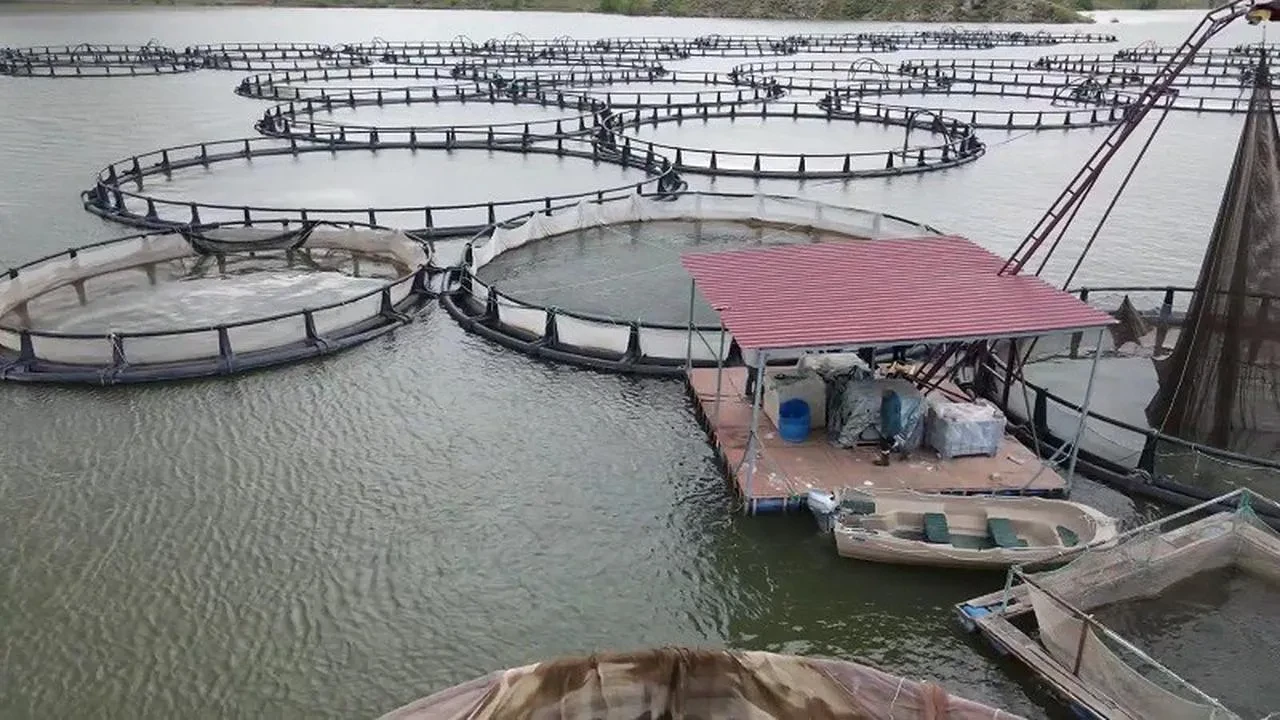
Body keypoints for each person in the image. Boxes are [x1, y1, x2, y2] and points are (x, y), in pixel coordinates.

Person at [874, 388, 909, 467]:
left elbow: (889, 417)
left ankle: (885, 460)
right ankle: (904, 451)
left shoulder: (889, 403)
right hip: (894, 424)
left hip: (890, 425)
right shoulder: (893, 399)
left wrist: (886, 430)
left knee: (884, 441)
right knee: (891, 440)